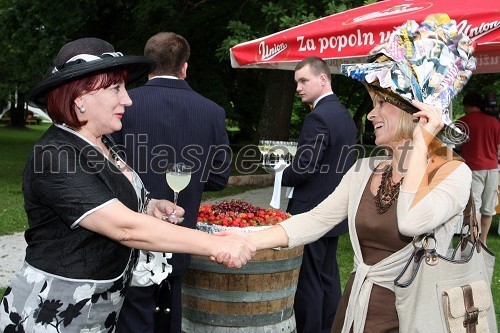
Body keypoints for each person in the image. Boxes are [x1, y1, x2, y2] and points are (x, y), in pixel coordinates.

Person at [217, 14, 475, 332]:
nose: (371, 114)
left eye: (382, 103)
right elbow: (315, 220)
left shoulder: (454, 173)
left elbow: (411, 222)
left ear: (417, 111)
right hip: (357, 312)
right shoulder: (364, 170)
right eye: (372, 103)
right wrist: (248, 238)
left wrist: (422, 142)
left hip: (414, 319)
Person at [0, 37, 254, 333]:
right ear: (80, 97)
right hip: (52, 315)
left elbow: (120, 199)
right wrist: (215, 242)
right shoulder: (54, 155)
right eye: (115, 89)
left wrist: (151, 206)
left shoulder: (105, 142)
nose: (128, 99)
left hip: (101, 314)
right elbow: (125, 228)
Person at [112, 32, 231, 333]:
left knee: (129, 319)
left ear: (147, 64)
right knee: (169, 319)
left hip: (128, 239)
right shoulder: (213, 112)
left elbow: (107, 169)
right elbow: (219, 177)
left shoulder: (123, 106)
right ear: (185, 67)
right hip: (180, 235)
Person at [281, 56, 357, 333]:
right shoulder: (344, 115)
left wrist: (281, 173)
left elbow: (304, 167)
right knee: (327, 278)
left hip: (311, 210)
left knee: (309, 282)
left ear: (323, 79)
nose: (298, 87)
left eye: (304, 80)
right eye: (296, 82)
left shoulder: (318, 116)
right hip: (335, 209)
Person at [457, 92, 499, 244]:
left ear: (467, 105)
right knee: (488, 207)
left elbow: (457, 145)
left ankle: (473, 240)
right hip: (493, 168)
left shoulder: (462, 122)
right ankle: (483, 240)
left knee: (474, 207)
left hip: (472, 168)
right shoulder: (494, 122)